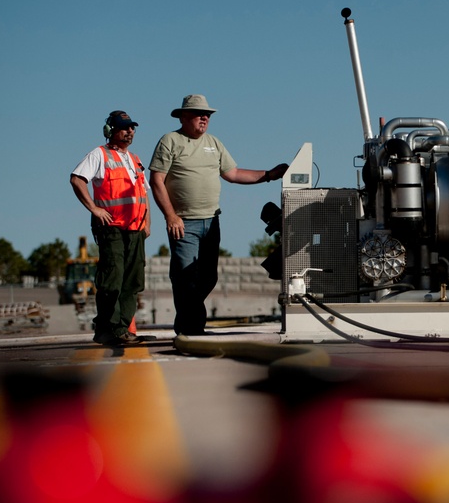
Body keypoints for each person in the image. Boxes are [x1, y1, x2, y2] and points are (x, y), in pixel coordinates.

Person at [149, 94, 289, 336]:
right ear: (183, 116)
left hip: (212, 221)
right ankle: (191, 328)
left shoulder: (214, 143)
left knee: (208, 278)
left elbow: (233, 173)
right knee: (185, 276)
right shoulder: (170, 141)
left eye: (208, 115)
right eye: (199, 113)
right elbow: (156, 181)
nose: (205, 117)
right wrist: (170, 216)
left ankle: (187, 321)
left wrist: (268, 174)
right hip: (184, 222)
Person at [70, 110, 151, 346]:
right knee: (112, 279)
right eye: (124, 127)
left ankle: (123, 328)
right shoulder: (100, 155)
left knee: (133, 281)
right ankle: (108, 329)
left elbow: (143, 193)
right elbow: (77, 179)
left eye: (132, 128)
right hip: (112, 228)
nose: (129, 131)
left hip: (135, 229)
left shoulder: (135, 159)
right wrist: (94, 209)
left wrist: (147, 222)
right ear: (110, 131)